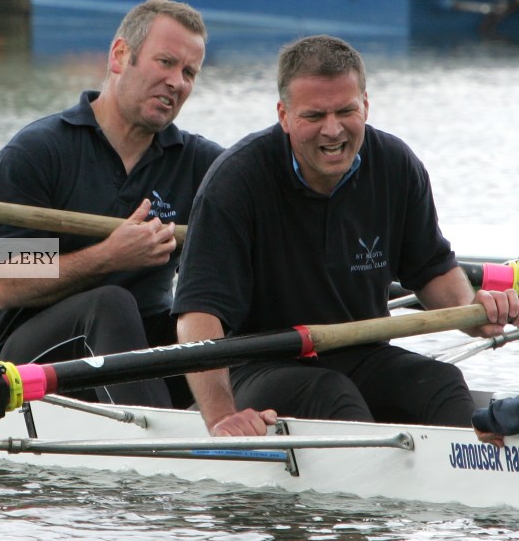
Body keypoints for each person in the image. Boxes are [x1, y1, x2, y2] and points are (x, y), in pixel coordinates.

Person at [173, 34, 519, 436]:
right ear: (284, 115)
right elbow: (197, 316)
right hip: (257, 363)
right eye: (314, 116)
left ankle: (476, 482)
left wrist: (474, 314)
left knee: (440, 383)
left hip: (362, 352)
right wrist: (220, 416)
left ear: (366, 105)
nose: (333, 130)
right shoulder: (235, 181)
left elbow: (431, 271)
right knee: (332, 394)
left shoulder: (396, 165)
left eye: (345, 111)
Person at [0, 0, 223, 408]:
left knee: (220, 314)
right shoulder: (36, 152)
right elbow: (5, 284)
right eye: (166, 63)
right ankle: (156, 447)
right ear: (120, 56)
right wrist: (110, 256)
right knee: (111, 304)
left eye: (189, 72)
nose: (178, 82)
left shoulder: (201, 164)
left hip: (132, 349)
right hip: (19, 366)